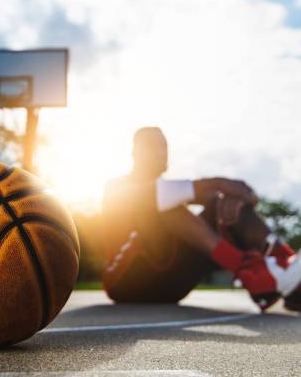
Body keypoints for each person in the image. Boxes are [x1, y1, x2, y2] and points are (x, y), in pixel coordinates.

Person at [102, 126, 301, 311]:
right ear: (135, 153)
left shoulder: (171, 191)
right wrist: (218, 182)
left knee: (219, 202)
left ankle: (288, 275)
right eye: (153, 147)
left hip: (172, 284)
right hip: (127, 284)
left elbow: (245, 195)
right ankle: (249, 271)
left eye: (164, 147)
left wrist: (241, 199)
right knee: (165, 206)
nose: (161, 153)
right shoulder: (117, 187)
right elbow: (155, 195)